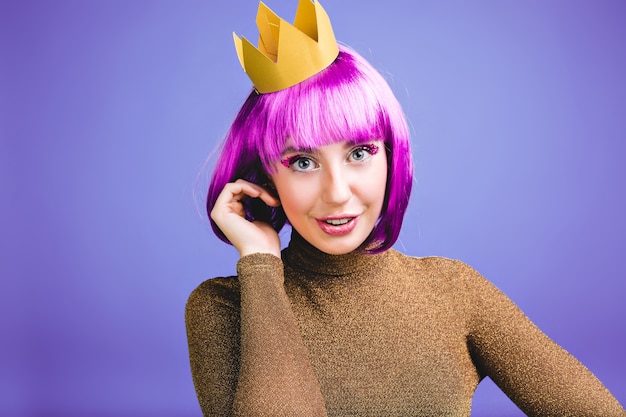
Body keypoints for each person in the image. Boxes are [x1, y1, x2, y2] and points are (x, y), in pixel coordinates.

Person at [185, 1, 625, 416]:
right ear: (265, 177)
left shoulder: (455, 291)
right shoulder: (224, 308)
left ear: (392, 157)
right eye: (303, 162)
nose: (338, 193)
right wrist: (261, 264)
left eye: (359, 152)